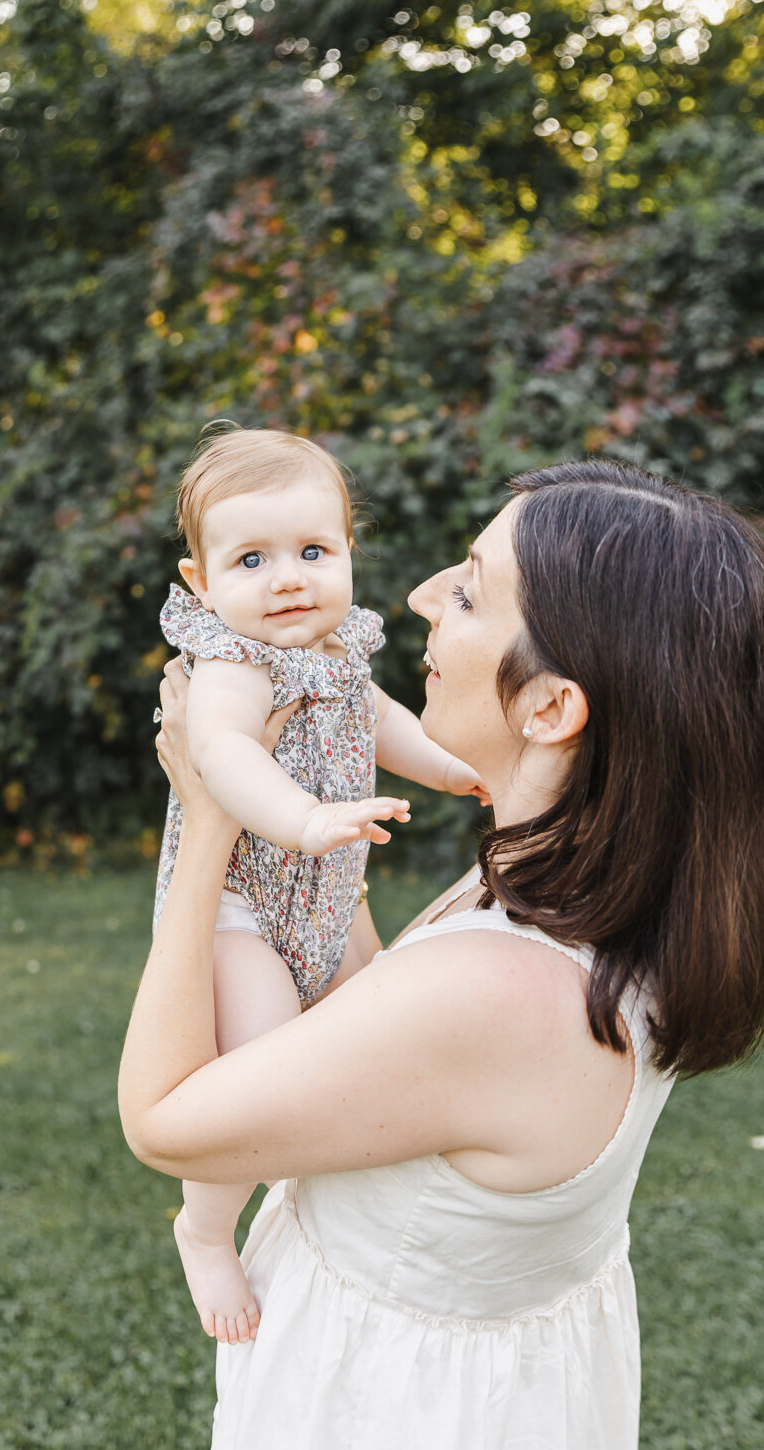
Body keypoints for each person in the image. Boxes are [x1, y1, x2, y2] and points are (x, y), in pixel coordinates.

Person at [120, 460, 764, 1449]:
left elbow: (163, 1124)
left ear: (551, 708)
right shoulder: (591, 888)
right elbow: (366, 1019)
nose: (420, 595)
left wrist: (208, 822)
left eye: (471, 590)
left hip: (391, 1410)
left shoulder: (494, 988)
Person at [152, 426, 488, 1346]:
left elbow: (384, 723)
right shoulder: (230, 664)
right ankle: (205, 1226)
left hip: (325, 895)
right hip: (243, 905)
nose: (288, 579)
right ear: (201, 583)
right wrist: (302, 820)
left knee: (363, 1024)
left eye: (312, 552)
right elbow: (219, 753)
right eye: (251, 559)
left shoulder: (342, 651)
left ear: (347, 552)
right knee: (262, 1067)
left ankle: (339, 1186)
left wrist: (455, 769)